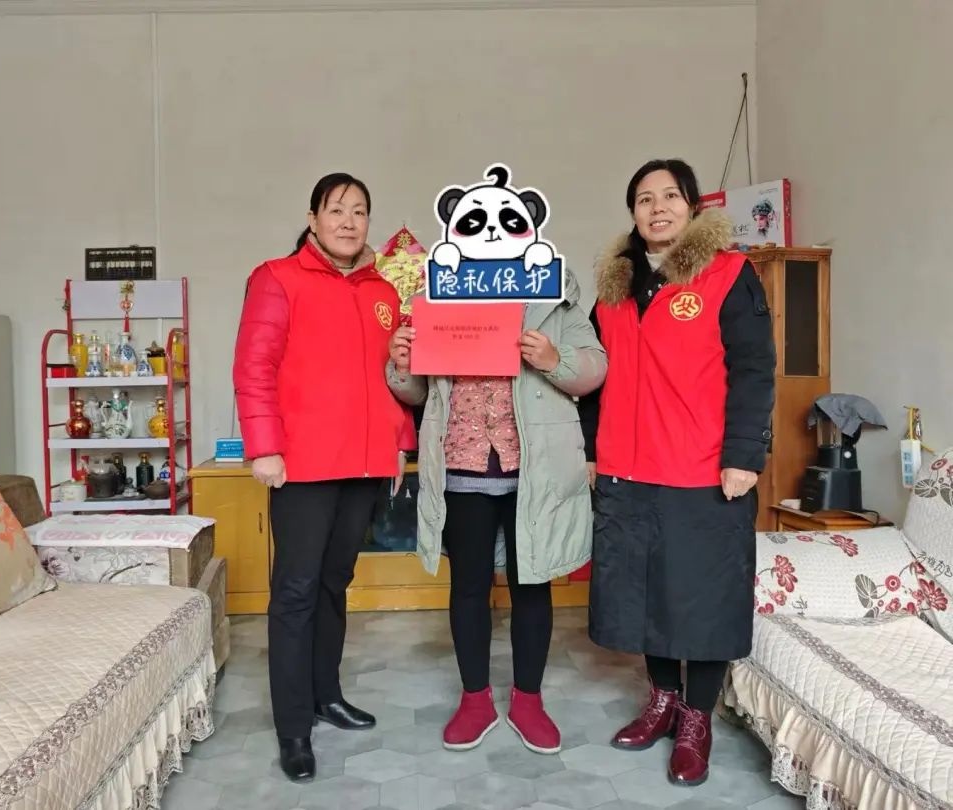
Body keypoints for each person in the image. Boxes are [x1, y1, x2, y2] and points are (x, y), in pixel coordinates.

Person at [577, 158, 776, 786]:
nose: (657, 207)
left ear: (692, 206)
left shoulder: (729, 274)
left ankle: (696, 718)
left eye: (669, 196)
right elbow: (592, 378)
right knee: (646, 594)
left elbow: (754, 369)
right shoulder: (615, 289)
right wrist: (591, 450)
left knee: (705, 598)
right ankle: (662, 700)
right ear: (633, 212)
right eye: (644, 198)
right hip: (627, 469)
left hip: (702, 469)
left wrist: (744, 455)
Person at [232, 172, 413, 783]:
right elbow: (254, 366)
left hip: (363, 464)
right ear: (313, 219)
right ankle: (293, 727)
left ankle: (325, 695)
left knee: (336, 584)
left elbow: (394, 377)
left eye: (359, 211)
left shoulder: (383, 290)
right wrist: (264, 447)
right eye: (336, 210)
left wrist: (399, 444)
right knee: (296, 591)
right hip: (302, 465)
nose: (348, 221)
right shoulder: (277, 278)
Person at [387, 273, 606, 755]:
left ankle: (528, 700)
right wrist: (402, 365)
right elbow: (418, 393)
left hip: (534, 468)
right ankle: (475, 699)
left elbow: (595, 368)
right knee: (468, 586)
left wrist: (555, 359)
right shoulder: (438, 295)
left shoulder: (555, 296)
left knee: (532, 584)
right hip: (462, 465)